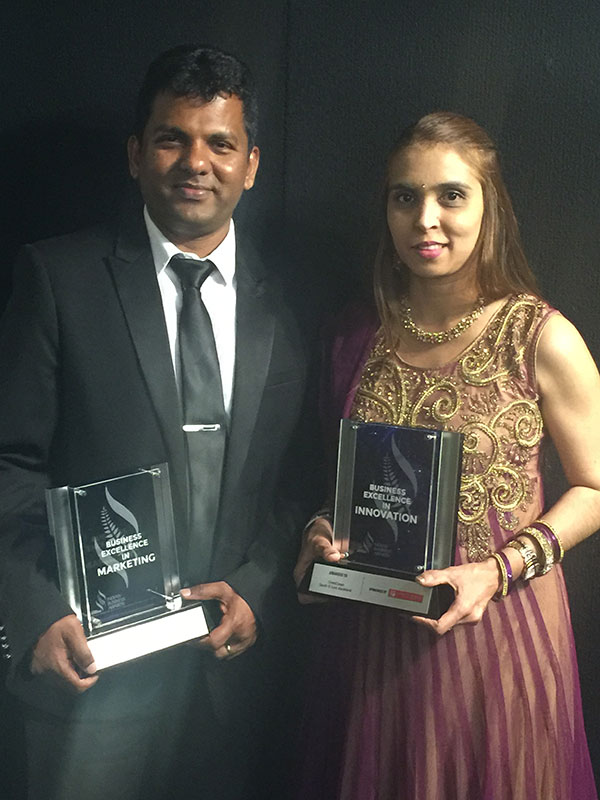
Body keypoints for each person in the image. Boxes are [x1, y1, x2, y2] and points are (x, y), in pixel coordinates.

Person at [0, 44, 307, 800]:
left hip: (228, 682)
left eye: (221, 144)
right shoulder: (58, 278)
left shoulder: (294, 301)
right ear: (136, 153)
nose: (196, 162)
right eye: (173, 138)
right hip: (91, 676)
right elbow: (9, 461)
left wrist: (257, 586)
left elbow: (298, 476)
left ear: (252, 165)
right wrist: (32, 612)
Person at [294, 112, 599, 799]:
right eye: (405, 197)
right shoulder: (355, 335)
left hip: (497, 629)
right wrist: (321, 529)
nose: (425, 219)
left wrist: (497, 571)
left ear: (491, 207)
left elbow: (596, 486)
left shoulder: (539, 336)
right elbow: (342, 482)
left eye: (451, 196)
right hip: (372, 637)